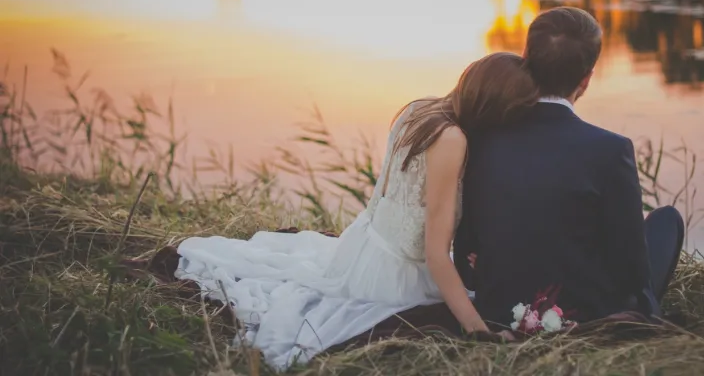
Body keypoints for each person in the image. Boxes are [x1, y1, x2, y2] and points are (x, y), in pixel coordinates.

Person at [169, 52, 539, 369]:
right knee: (478, 303)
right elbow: (435, 254)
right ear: (495, 108)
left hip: (362, 246)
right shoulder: (452, 139)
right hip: (395, 277)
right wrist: (477, 331)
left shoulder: (421, 108)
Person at [452, 7, 686, 328]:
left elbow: (465, 255)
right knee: (666, 222)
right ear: (587, 78)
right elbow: (631, 268)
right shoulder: (610, 149)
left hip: (499, 308)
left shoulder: (480, 137)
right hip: (581, 312)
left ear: (526, 60)